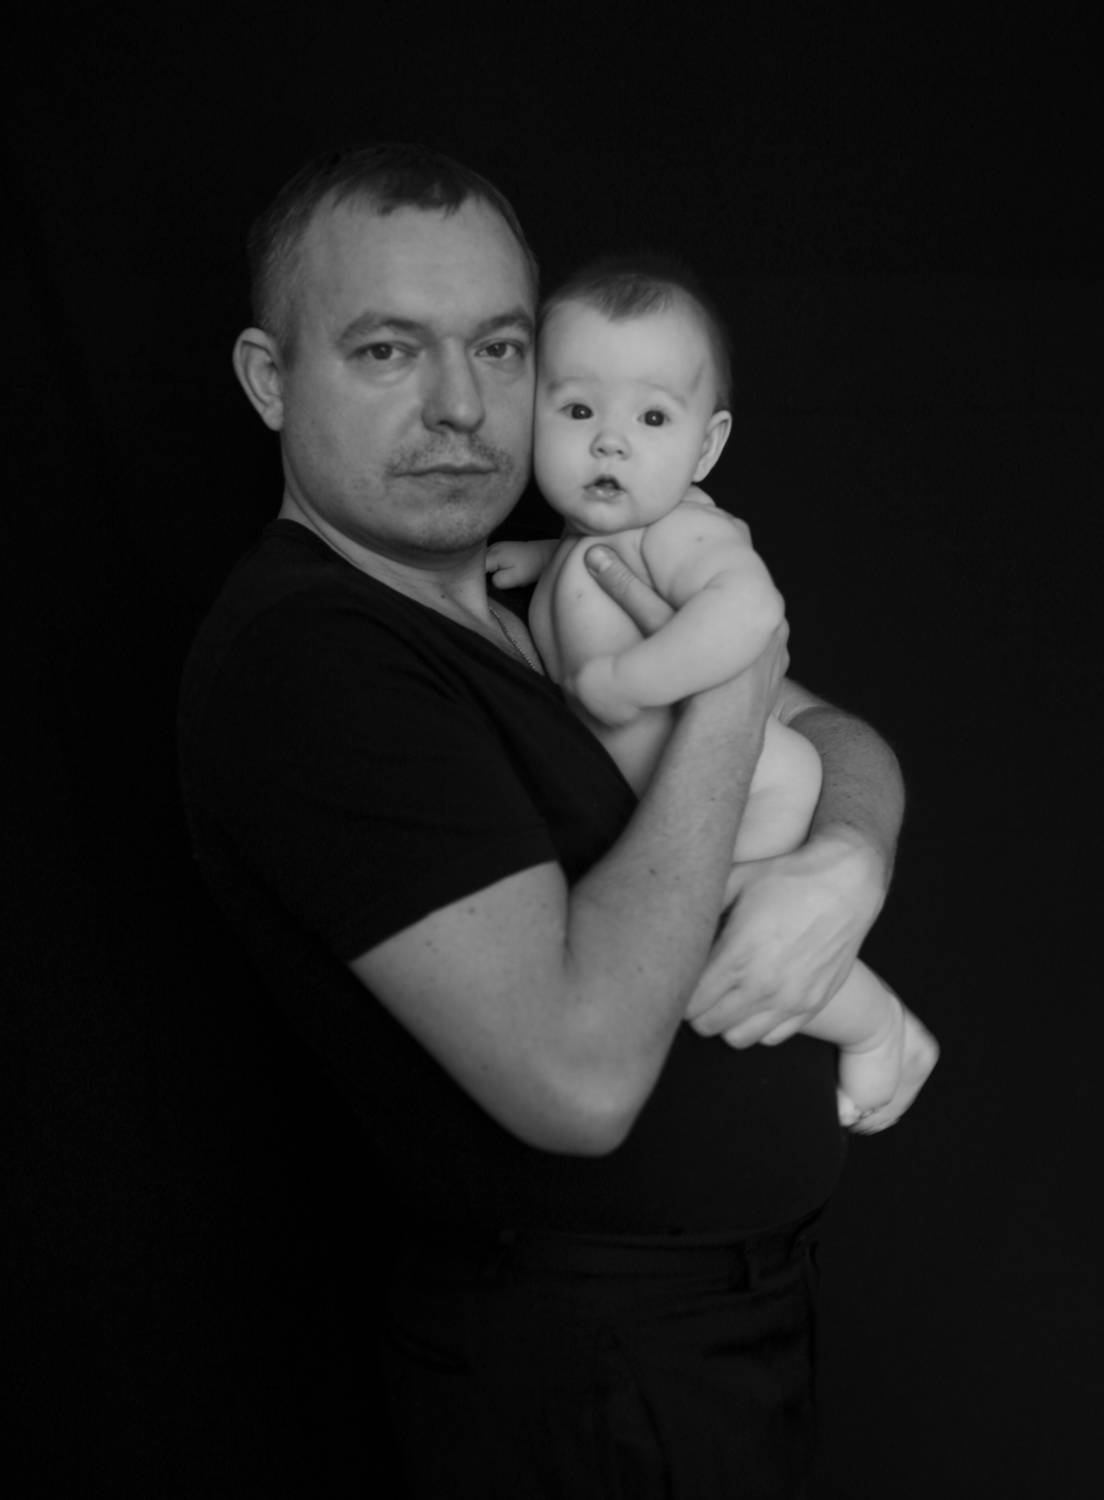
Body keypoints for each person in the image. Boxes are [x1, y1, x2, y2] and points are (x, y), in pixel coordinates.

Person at [179, 142, 937, 1497]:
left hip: (700, 1349)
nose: (462, 405)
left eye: (501, 348)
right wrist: (730, 690)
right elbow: (576, 1085)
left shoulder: (528, 586)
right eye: (388, 351)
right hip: (582, 1379)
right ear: (269, 378)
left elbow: (839, 737)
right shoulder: (313, 660)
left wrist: (847, 858)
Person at [486, 258, 926, 1125]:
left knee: (724, 939)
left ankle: (880, 1028)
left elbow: (749, 611)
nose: (610, 442)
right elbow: (587, 565)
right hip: (703, 789)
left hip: (757, 785)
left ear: (707, 445)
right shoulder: (595, 539)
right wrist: (539, 561)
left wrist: (629, 680)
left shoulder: (685, 528)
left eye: (652, 417)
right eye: (577, 411)